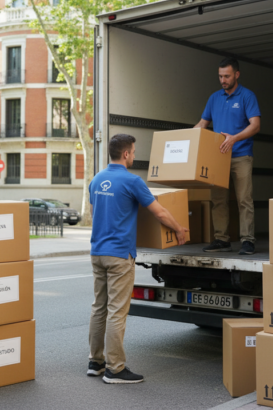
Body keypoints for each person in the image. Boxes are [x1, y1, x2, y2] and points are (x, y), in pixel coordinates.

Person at [87, 134, 188, 384]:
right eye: (133, 151)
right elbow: (160, 212)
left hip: (97, 253)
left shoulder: (96, 180)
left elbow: (94, 213)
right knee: (117, 312)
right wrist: (179, 229)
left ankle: (95, 362)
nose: (133, 155)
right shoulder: (133, 181)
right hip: (120, 254)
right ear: (126, 154)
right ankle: (115, 369)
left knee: (99, 307)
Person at [194, 57, 261, 255]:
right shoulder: (214, 98)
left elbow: (255, 125)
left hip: (241, 155)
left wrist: (234, 139)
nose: (223, 80)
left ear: (237, 75)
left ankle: (247, 240)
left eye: (227, 76)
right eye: (220, 76)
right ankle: (221, 239)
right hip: (218, 158)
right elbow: (202, 124)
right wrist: (186, 137)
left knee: (244, 200)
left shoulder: (247, 96)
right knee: (219, 200)